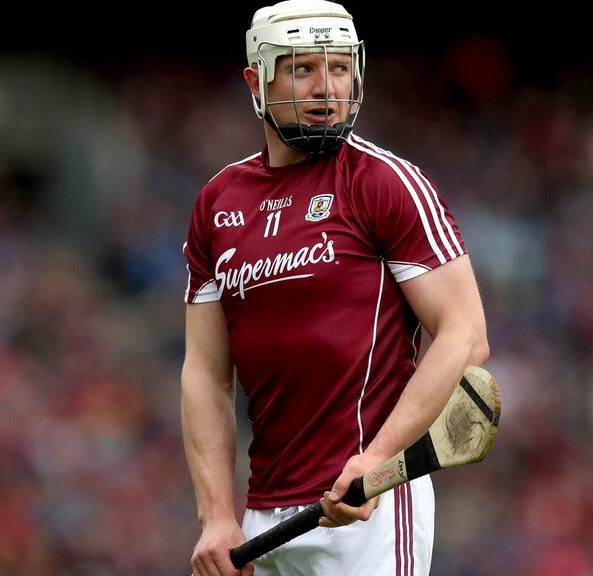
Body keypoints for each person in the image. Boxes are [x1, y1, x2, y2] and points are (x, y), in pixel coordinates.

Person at [181, 1, 489, 574]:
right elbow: (204, 371)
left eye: (340, 68)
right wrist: (217, 516)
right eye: (302, 69)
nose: (327, 87)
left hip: (365, 511)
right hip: (261, 519)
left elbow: (465, 335)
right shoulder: (218, 203)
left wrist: (376, 461)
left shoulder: (385, 182)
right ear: (256, 80)